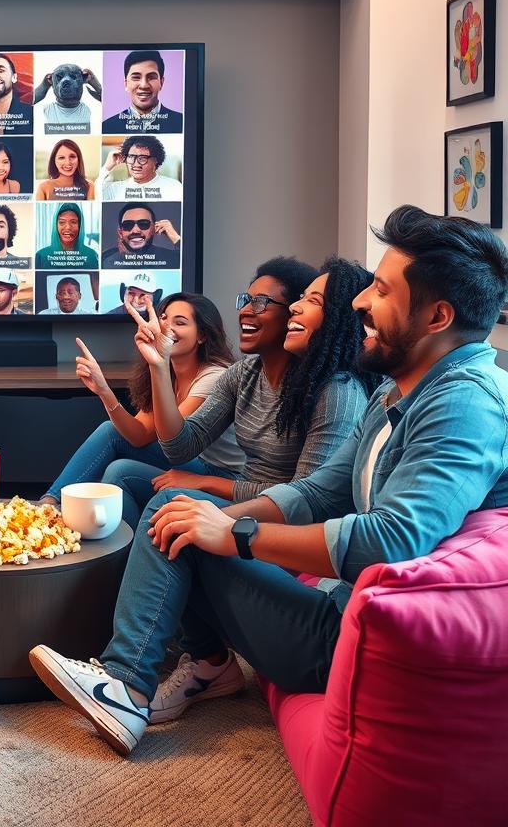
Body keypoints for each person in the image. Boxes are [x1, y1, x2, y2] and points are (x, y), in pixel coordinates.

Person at [30, 206, 508, 756]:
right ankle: (137, 679)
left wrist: (235, 534)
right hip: (335, 602)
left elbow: (392, 539)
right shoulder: (398, 389)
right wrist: (218, 520)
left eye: (379, 288)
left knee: (187, 506)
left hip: (342, 635)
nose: (358, 303)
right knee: (181, 507)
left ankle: (126, 682)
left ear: (436, 317)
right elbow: (320, 490)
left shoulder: (466, 401)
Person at [103, 256, 380, 529]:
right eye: (245, 300)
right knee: (122, 474)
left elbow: (302, 500)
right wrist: (160, 366)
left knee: (168, 504)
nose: (246, 310)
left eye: (260, 302)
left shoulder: (336, 391)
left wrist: (207, 484)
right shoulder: (243, 374)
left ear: (287, 316)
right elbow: (179, 447)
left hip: (280, 523)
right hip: (247, 498)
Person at [37, 294, 244, 521]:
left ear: (202, 335)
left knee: (119, 471)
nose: (166, 327)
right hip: (190, 460)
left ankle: (52, 510)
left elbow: (176, 444)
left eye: (180, 322)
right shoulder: (168, 373)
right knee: (111, 434)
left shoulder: (214, 376)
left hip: (220, 474)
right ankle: (49, 505)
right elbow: (139, 435)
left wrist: (158, 364)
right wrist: (105, 391)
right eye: (163, 318)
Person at [102, 50, 183, 134]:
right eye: (136, 77)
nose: (144, 85)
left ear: (161, 83)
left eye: (151, 77)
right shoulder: (107, 127)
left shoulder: (182, 122)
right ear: (126, 84)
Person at [98, 135, 183, 202]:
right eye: (131, 157)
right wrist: (107, 167)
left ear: (155, 160)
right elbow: (96, 194)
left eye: (142, 158)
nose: (136, 164)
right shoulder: (114, 188)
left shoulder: (174, 187)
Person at [101, 204, 180, 268]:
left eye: (143, 224)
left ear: (154, 228)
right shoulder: (105, 259)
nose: (135, 230)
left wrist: (176, 238)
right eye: (128, 225)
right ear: (120, 232)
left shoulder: (172, 258)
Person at [32, 63, 102, 133]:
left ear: (83, 79)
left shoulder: (90, 109)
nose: (66, 80)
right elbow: (23, 105)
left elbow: (112, 105)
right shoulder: (46, 110)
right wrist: (44, 85)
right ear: (51, 81)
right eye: (59, 77)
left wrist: (95, 83)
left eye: (73, 77)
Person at [35, 202, 99, 270]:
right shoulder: (41, 256)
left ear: (80, 225)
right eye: (62, 222)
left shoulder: (91, 255)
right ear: (56, 226)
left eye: (73, 222)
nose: (68, 227)